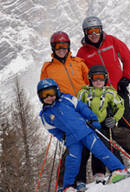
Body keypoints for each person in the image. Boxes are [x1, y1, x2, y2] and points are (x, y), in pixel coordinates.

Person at [77, 16, 130, 166]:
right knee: (106, 128)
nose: (94, 34)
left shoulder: (112, 41)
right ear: (85, 33)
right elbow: (82, 76)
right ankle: (120, 165)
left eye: (96, 30)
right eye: (90, 31)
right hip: (99, 97)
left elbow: (127, 58)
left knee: (125, 122)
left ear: (101, 30)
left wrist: (126, 77)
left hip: (118, 90)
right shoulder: (82, 53)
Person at [37, 78, 129, 192]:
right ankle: (68, 186)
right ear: (40, 97)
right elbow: (52, 130)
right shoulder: (45, 115)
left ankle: (119, 170)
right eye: (44, 94)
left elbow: (82, 107)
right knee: (72, 161)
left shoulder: (67, 99)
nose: (49, 97)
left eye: (51, 92)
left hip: (85, 131)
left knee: (101, 151)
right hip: (72, 139)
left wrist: (92, 118)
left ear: (57, 90)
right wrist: (62, 137)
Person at [77, 65, 130, 184]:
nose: (98, 81)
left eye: (101, 78)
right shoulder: (84, 93)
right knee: (102, 142)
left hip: (106, 124)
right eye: (95, 78)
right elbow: (77, 109)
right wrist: (83, 121)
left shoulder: (109, 92)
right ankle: (116, 169)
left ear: (106, 78)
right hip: (91, 128)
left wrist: (114, 119)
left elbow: (120, 106)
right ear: (90, 78)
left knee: (123, 133)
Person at [41, 31, 91, 191]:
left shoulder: (78, 63)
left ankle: (81, 180)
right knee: (73, 144)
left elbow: (89, 81)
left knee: (89, 141)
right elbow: (44, 90)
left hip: (83, 106)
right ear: (53, 48)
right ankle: (65, 183)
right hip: (66, 112)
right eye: (57, 46)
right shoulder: (48, 68)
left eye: (64, 46)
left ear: (69, 46)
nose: (61, 49)